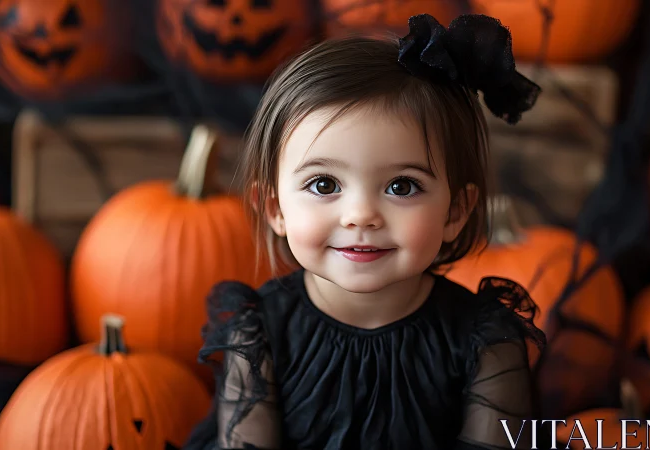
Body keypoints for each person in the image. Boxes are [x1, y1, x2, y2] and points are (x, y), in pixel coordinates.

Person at [184, 13, 547, 450]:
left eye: (402, 186)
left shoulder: (486, 343)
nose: (360, 215)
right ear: (275, 208)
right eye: (324, 185)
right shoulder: (257, 334)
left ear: (456, 211)